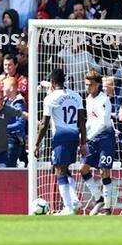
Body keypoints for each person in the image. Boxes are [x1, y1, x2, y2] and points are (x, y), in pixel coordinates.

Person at [35, 68, 86, 216]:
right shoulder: (76, 96)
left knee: (59, 170)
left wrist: (37, 143)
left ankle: (68, 207)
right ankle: (75, 200)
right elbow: (82, 121)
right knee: (64, 168)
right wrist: (83, 142)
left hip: (61, 136)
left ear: (52, 82)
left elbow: (44, 124)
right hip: (74, 135)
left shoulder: (50, 98)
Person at [79, 69, 115, 216]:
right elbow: (90, 121)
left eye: (91, 85)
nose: (88, 87)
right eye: (86, 84)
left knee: (104, 171)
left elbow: (102, 123)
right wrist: (82, 137)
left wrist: (88, 137)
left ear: (98, 85)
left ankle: (107, 208)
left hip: (105, 138)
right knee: (83, 169)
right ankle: (98, 198)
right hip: (92, 138)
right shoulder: (88, 99)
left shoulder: (104, 100)